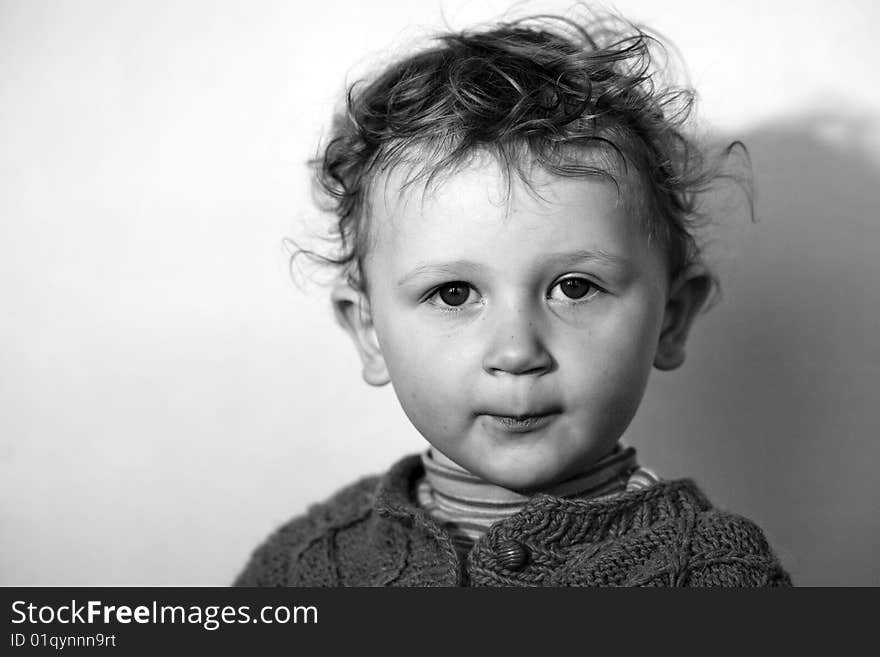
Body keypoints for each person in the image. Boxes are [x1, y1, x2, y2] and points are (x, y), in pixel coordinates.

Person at [234, 8, 791, 586]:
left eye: (574, 288)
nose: (517, 351)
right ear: (369, 331)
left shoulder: (713, 577)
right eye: (453, 293)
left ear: (671, 318)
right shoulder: (302, 565)